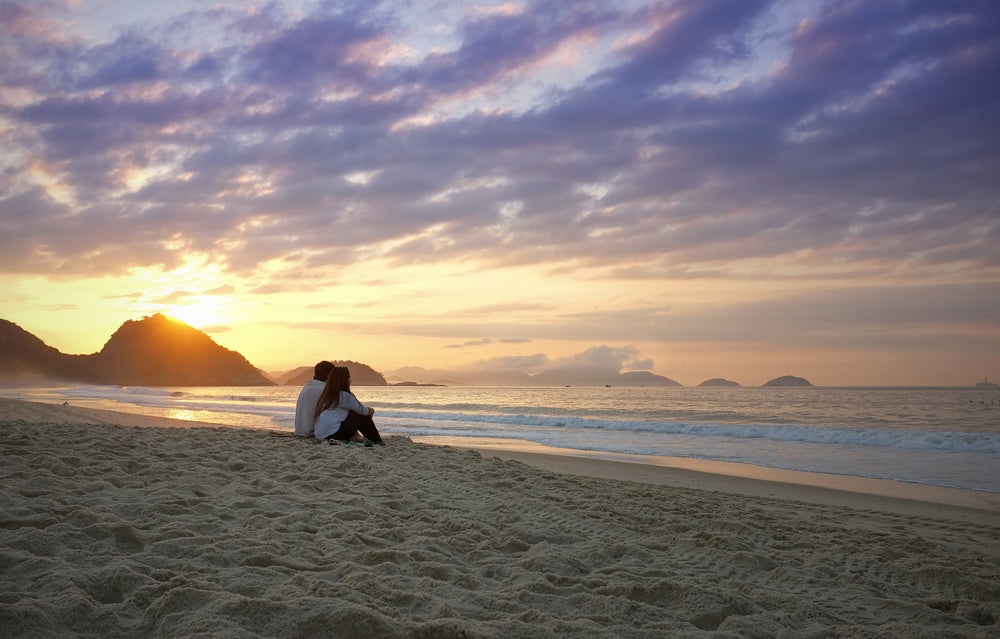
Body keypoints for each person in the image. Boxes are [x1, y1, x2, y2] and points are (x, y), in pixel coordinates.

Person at [313, 366, 384, 445]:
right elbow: (363, 411)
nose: (350, 380)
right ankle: (377, 440)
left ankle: (375, 439)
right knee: (359, 415)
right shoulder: (344, 395)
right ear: (345, 380)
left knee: (356, 413)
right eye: (349, 377)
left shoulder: (328, 396)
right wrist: (372, 410)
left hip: (320, 435)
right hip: (333, 435)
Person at [294, 361, 334, 437]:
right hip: (311, 433)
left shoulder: (308, 386)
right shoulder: (324, 388)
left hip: (300, 431)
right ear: (328, 375)